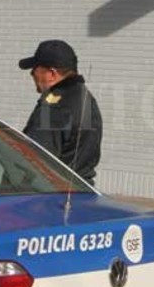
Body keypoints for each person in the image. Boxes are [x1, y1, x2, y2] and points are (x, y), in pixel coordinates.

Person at [18, 40, 102, 184]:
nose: (32, 74)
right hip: (82, 191)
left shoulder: (54, 107)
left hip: (49, 196)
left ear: (51, 73)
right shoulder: (85, 97)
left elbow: (34, 159)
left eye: (35, 69)